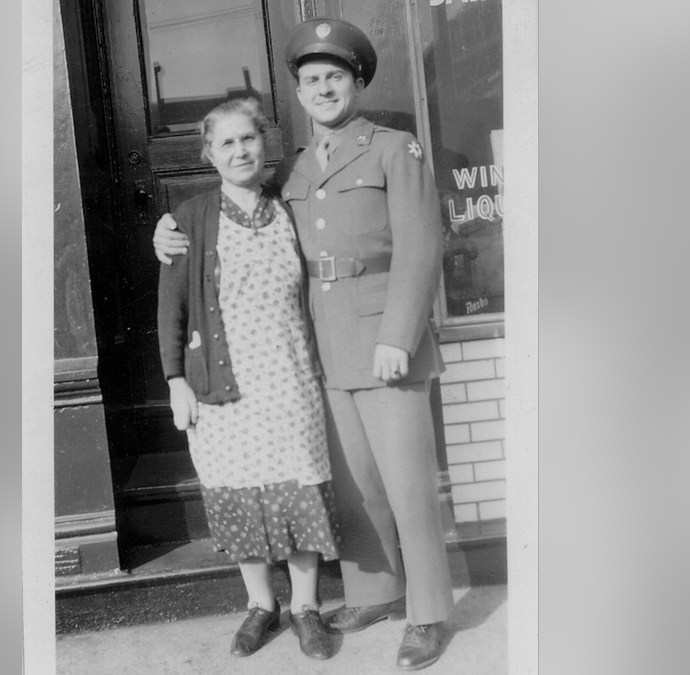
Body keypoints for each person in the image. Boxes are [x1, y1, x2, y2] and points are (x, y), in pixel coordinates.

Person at [155, 18, 454, 671]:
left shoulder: (392, 148)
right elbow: (231, 215)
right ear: (298, 92)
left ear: (358, 81)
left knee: (407, 484)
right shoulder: (289, 169)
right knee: (355, 485)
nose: (322, 88)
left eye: (334, 77)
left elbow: (423, 244)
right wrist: (169, 231)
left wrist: (399, 334)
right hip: (322, 344)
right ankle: (378, 590)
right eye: (310, 79)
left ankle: (429, 611)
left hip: (382, 339)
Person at [157, 97, 339, 661]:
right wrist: (174, 380)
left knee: (299, 489)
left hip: (292, 380)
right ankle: (262, 604)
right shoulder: (188, 218)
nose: (240, 151)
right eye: (226, 143)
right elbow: (172, 308)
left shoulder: (292, 207)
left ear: (266, 144)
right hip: (223, 389)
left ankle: (305, 607)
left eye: (249, 139)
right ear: (209, 155)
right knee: (239, 494)